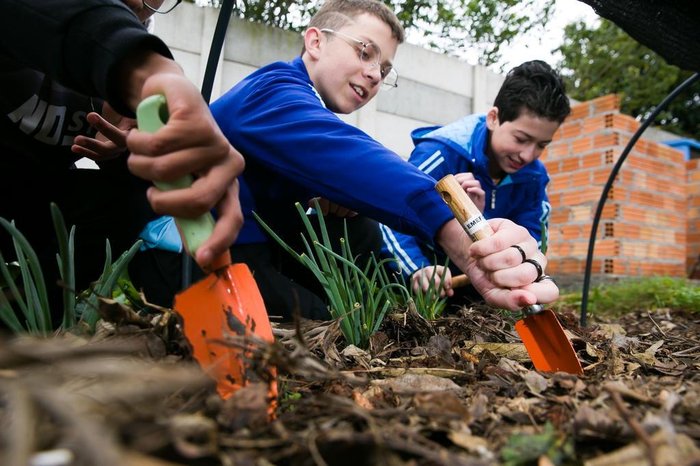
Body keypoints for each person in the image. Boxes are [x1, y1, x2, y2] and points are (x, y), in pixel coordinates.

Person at [139, 0, 558, 321]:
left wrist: (324, 201)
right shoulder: (271, 92)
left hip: (253, 250)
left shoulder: (303, 105)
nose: (375, 73)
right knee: (332, 324)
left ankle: (396, 303)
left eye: (385, 66)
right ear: (316, 41)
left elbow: (333, 167)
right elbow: (347, 153)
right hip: (189, 260)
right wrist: (456, 230)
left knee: (354, 223)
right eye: (364, 52)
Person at [0, 0, 244, 325]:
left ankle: (23, 326)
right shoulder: (122, 49)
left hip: (38, 194)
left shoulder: (128, 56)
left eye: (150, 7)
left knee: (127, 202)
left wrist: (124, 152)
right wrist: (146, 69)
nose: (142, 7)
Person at [381, 60, 570, 299]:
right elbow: (392, 214)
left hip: (480, 286)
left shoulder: (534, 177)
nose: (528, 155)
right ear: (493, 118)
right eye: (521, 139)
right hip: (420, 284)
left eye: (541, 145)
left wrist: (481, 220)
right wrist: (417, 268)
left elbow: (532, 239)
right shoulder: (439, 155)